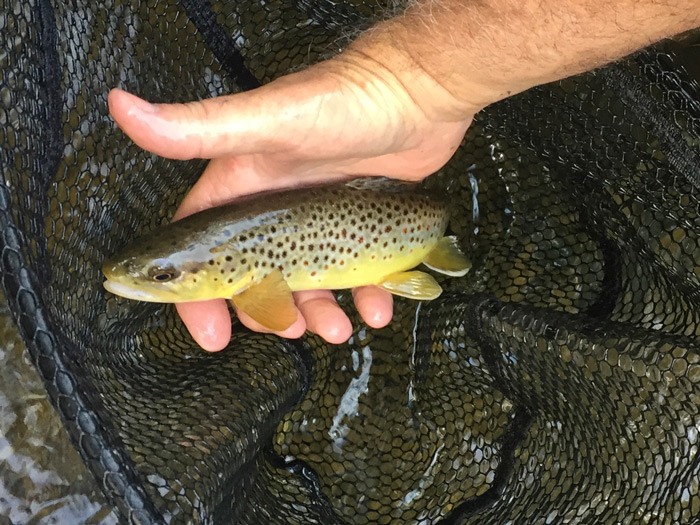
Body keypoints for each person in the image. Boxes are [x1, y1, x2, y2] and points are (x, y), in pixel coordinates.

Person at [108, 0, 700, 351]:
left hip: (409, 221)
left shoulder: (249, 286)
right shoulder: (237, 265)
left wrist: (416, 80)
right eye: (161, 275)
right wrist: (415, 78)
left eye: (163, 275)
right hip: (409, 221)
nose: (154, 280)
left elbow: (274, 311)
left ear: (221, 273)